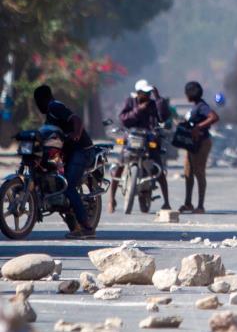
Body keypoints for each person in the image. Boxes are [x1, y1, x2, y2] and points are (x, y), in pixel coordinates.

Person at [33, 85, 95, 239]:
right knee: (54, 180)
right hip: (67, 152)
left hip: (81, 150)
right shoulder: (50, 114)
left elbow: (76, 119)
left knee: (68, 185)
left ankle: (87, 227)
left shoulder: (55, 106)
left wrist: (75, 133)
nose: (37, 105)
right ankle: (74, 226)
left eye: (37, 101)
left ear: (44, 99)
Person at [109, 79, 171, 212]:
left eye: (149, 93)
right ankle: (111, 199)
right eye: (144, 93)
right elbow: (124, 119)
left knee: (158, 167)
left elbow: (163, 117)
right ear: (138, 93)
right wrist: (138, 110)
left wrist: (159, 98)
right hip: (131, 139)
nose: (147, 95)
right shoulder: (130, 102)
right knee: (119, 165)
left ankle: (167, 202)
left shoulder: (154, 104)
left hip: (148, 140)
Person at [180, 81, 219, 214]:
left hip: (202, 142)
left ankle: (200, 206)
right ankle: (188, 203)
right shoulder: (195, 107)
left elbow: (214, 117)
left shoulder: (202, 106)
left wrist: (198, 127)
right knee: (188, 172)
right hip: (191, 143)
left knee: (199, 172)